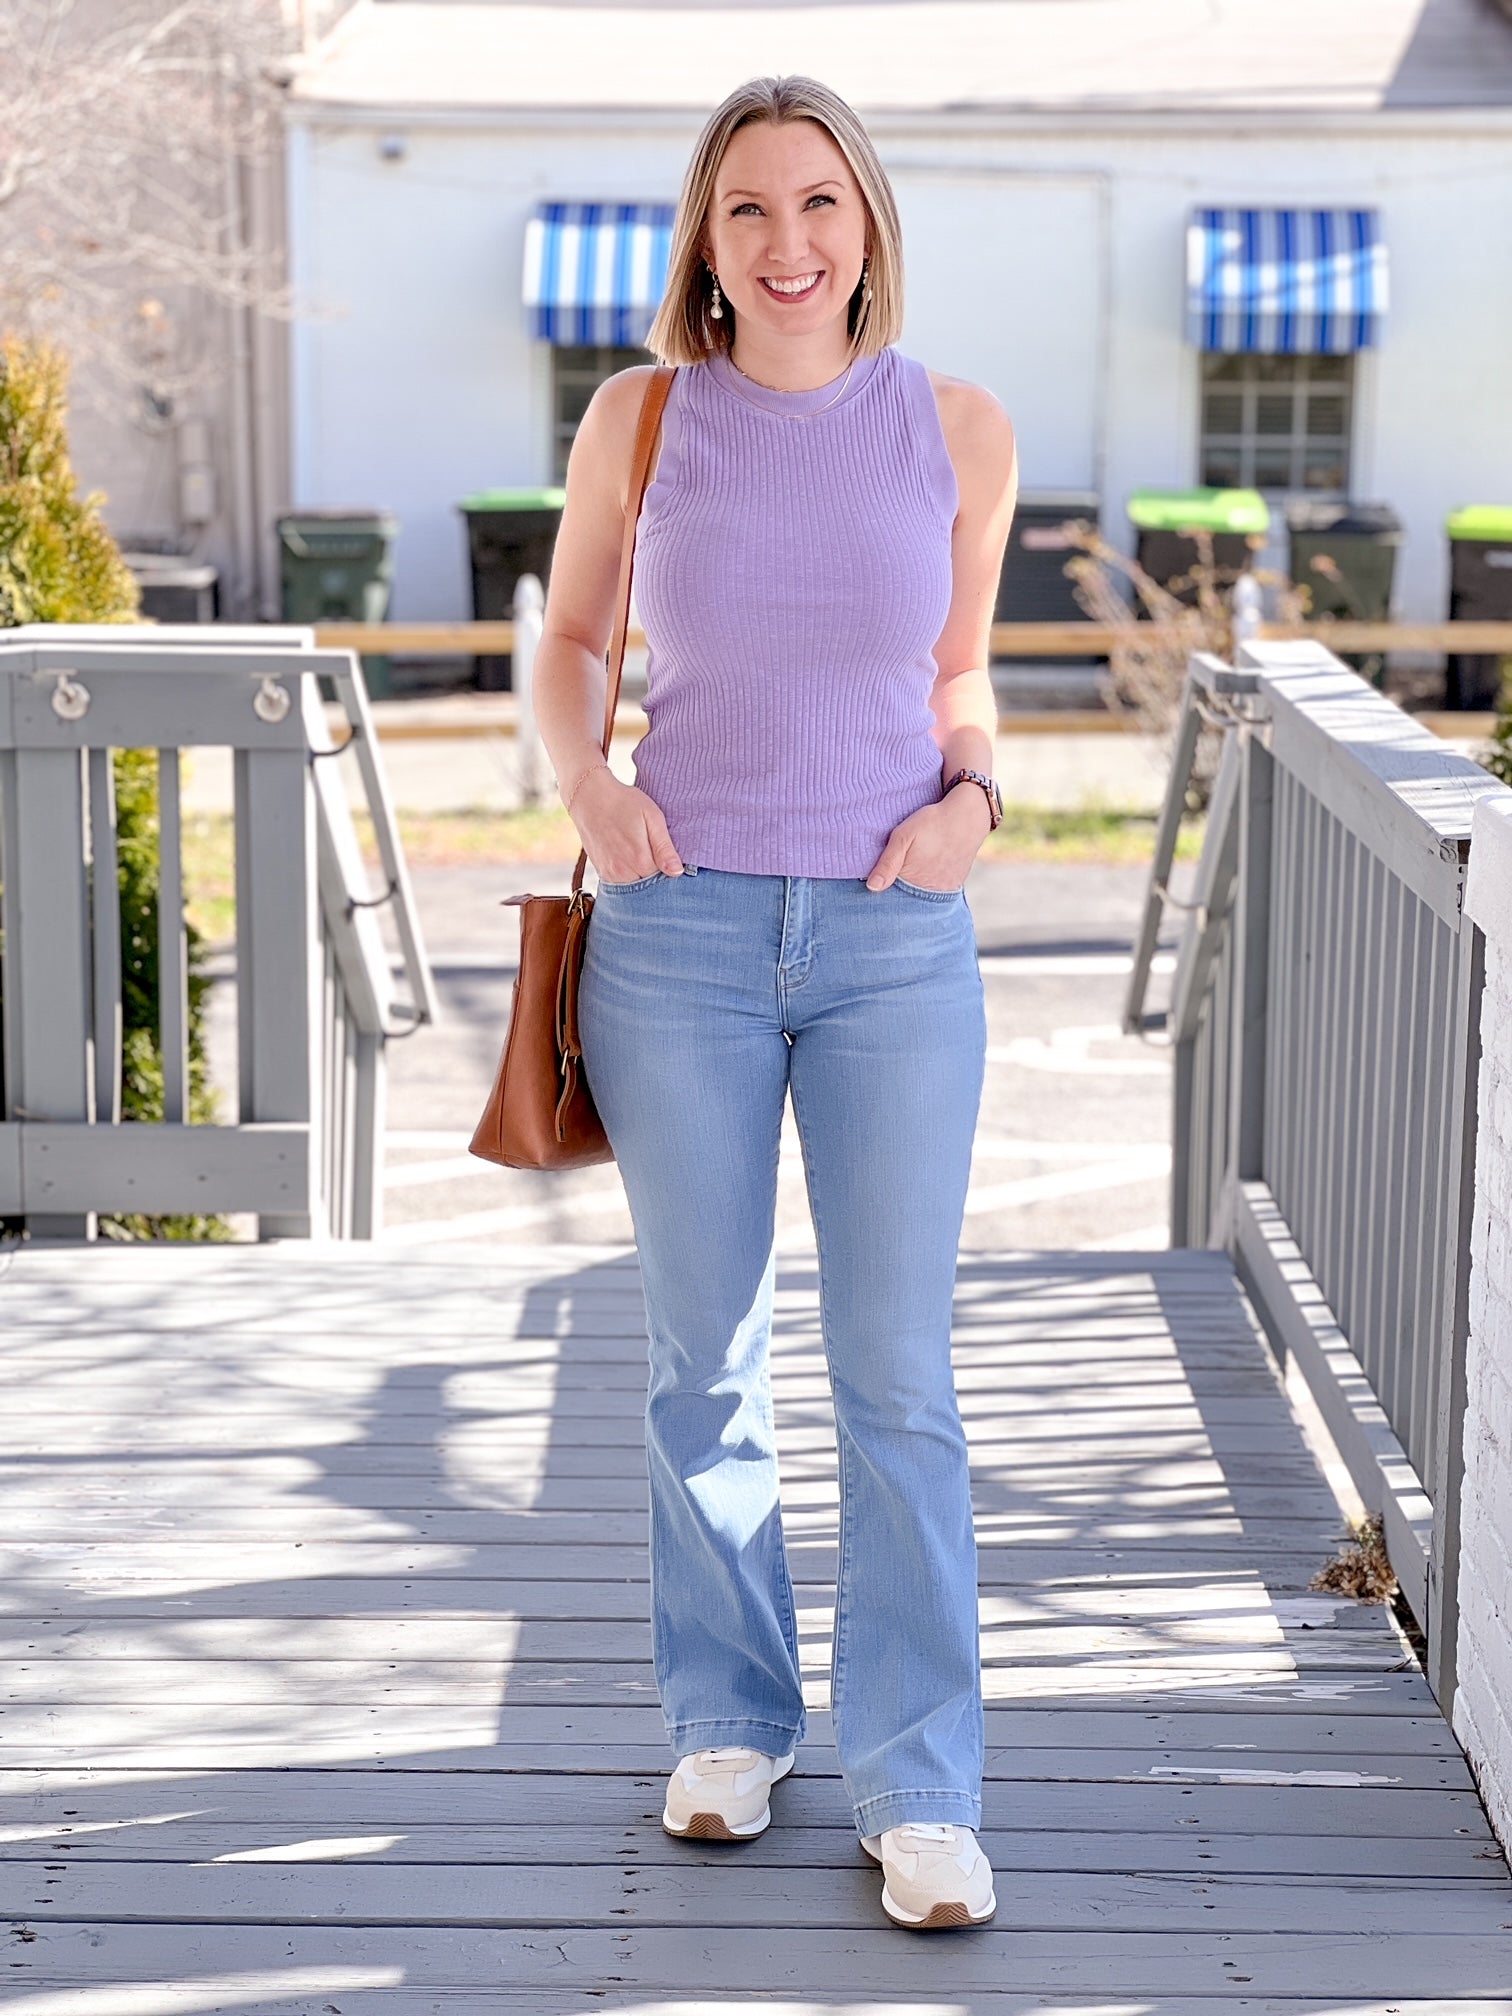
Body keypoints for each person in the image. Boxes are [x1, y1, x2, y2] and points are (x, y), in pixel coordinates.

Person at [532, 73, 1018, 1932]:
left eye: (821, 201)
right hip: (681, 936)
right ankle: (729, 1723)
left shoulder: (957, 426)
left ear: (869, 222)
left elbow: (958, 670)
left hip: (896, 939)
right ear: (705, 239)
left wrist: (976, 801)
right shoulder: (642, 419)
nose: (788, 239)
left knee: (898, 1373)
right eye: (749, 207)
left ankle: (923, 1783)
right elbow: (574, 640)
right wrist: (588, 786)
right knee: (702, 1358)